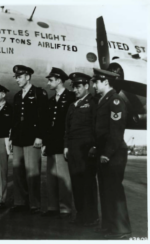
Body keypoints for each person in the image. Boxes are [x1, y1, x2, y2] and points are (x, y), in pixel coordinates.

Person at [91, 68, 131, 239]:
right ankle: (108, 226)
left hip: (113, 153)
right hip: (104, 152)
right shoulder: (103, 100)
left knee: (114, 191)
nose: (94, 85)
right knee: (106, 190)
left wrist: (107, 153)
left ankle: (122, 229)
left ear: (105, 82)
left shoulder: (115, 101)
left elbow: (116, 132)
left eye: (96, 82)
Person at [9, 65, 48, 214]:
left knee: (32, 174)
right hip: (18, 139)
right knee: (18, 173)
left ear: (27, 77)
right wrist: (12, 138)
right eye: (16, 77)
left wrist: (40, 136)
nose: (17, 80)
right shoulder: (17, 96)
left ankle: (34, 204)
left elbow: (43, 117)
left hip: (32, 139)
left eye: (19, 77)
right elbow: (15, 120)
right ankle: (20, 202)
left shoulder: (39, 93)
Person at [64, 72, 98, 226]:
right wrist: (65, 146)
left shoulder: (93, 103)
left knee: (88, 183)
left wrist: (95, 146)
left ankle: (91, 217)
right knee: (76, 183)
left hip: (86, 150)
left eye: (78, 87)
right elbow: (67, 128)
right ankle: (80, 214)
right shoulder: (72, 105)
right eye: (74, 87)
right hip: (73, 150)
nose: (75, 90)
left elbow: (97, 127)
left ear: (86, 86)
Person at [43, 67, 75, 218]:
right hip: (51, 144)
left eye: (51, 80)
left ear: (59, 81)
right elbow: (48, 124)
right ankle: (52, 207)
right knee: (51, 178)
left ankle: (65, 208)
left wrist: (68, 145)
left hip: (63, 144)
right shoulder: (51, 100)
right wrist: (45, 143)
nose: (48, 83)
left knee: (63, 178)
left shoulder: (71, 98)